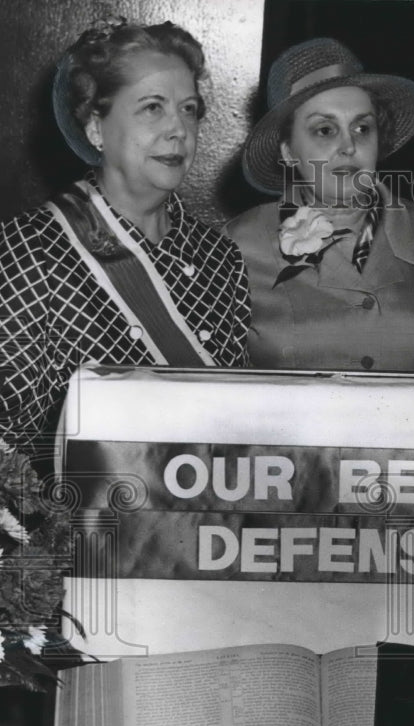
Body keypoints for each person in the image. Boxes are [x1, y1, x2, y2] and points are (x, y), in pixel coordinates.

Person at [0, 18, 251, 454]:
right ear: (96, 127)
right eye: (152, 107)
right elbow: (10, 455)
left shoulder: (219, 256)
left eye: (189, 109)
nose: (179, 129)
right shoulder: (29, 248)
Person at [226, 37, 414, 372]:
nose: (348, 146)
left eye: (362, 128)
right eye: (325, 130)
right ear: (288, 151)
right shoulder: (236, 245)